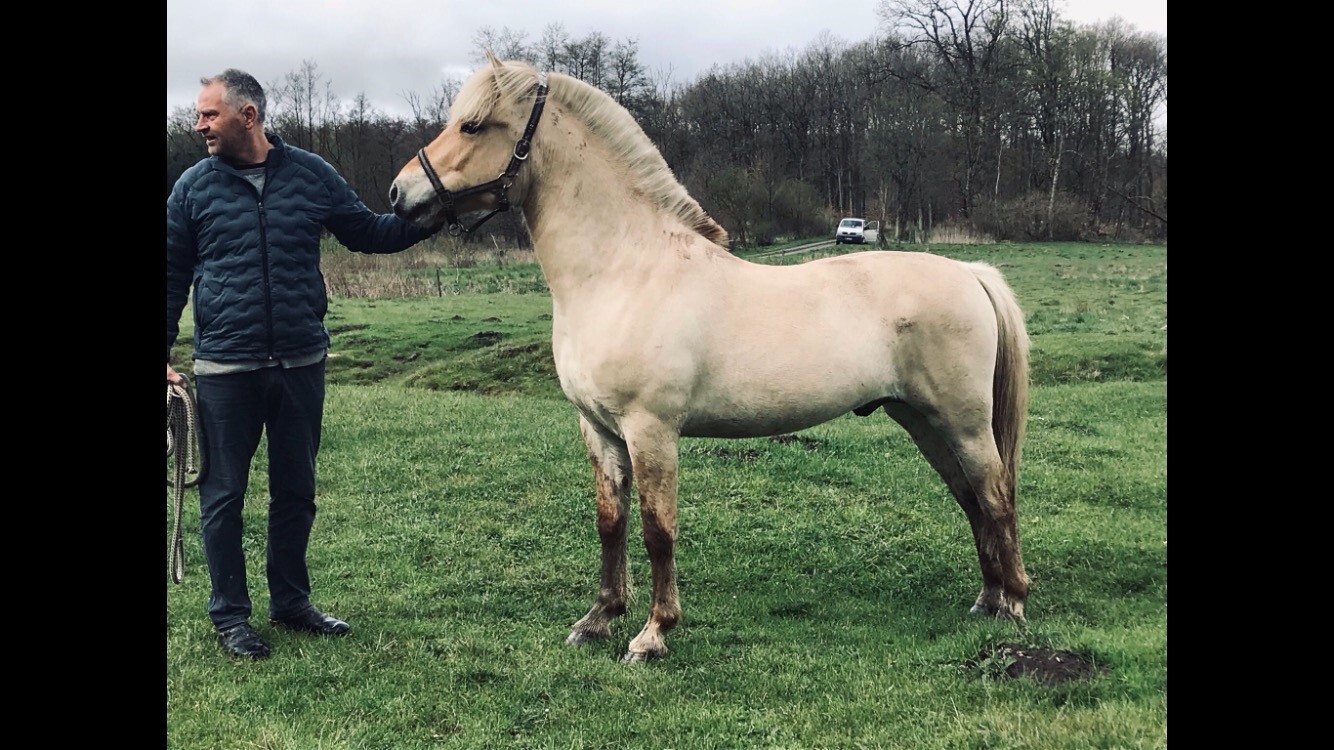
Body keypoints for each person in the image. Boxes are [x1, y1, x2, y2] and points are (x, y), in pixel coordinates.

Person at [166, 69, 440, 659]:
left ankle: (290, 603)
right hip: (224, 370)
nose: (199, 126)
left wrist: (435, 213)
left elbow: (368, 232)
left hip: (300, 364)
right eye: (199, 115)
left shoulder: (312, 175)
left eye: (209, 115)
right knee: (222, 497)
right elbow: (169, 275)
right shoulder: (192, 188)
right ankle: (230, 617)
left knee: (296, 491)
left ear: (248, 115)